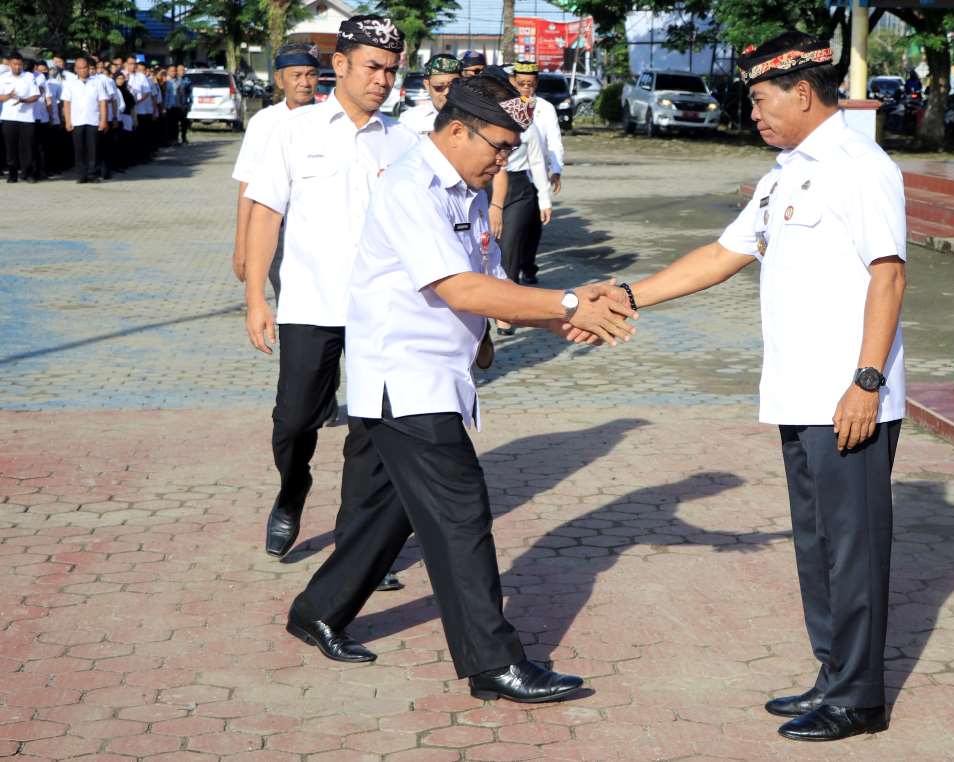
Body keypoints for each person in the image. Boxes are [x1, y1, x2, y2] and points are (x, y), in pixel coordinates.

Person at [286, 70, 637, 702]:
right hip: (405, 378)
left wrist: (552, 316)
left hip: (438, 376)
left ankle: (318, 609)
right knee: (460, 512)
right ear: (455, 129)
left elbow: (486, 272)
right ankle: (491, 662)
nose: (503, 162)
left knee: (392, 513)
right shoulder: (410, 187)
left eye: (510, 151)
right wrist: (565, 301)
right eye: (497, 148)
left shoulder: (467, 186)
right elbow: (458, 287)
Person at [616, 31, 906, 742]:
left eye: (759, 97)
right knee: (816, 542)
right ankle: (833, 673)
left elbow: (889, 274)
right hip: (798, 393)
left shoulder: (858, 166)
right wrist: (625, 296)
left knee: (853, 545)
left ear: (802, 92)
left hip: (848, 395)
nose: (753, 111)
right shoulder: (786, 174)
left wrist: (866, 382)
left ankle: (860, 698)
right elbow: (721, 255)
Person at [242, 16, 417, 590]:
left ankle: (356, 547)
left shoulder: (405, 139)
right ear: (339, 64)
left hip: (381, 309)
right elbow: (267, 213)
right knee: (294, 421)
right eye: (373, 66)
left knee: (371, 430)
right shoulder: (293, 131)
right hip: (308, 303)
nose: (383, 80)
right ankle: (292, 493)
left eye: (391, 70)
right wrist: (255, 299)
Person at [231, 44, 318, 289]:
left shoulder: (330, 119)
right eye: (296, 75)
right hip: (276, 231)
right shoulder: (264, 122)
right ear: (280, 80)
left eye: (311, 74)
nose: (304, 82)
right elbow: (247, 184)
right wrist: (242, 245)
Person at [487, 91, 552, 334]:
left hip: (520, 191)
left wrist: (544, 200)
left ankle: (505, 313)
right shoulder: (489, 127)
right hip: (489, 184)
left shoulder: (530, 131)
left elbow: (537, 163)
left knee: (510, 247)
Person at [508, 60, 564, 283]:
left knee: (533, 224)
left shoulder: (545, 108)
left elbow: (554, 142)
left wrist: (556, 170)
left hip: (536, 173)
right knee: (514, 226)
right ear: (513, 82)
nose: (526, 89)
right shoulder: (506, 106)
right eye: (521, 83)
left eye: (530, 84)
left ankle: (527, 265)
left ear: (536, 83)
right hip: (516, 173)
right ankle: (513, 267)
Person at [61, 56, 109, 183]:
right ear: (76, 69)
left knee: (93, 149)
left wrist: (103, 120)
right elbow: (66, 103)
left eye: (85, 68)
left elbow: (103, 102)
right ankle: (81, 175)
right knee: (79, 149)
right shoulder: (69, 83)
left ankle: (92, 174)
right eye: (80, 68)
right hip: (76, 121)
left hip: (93, 120)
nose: (83, 70)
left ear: (89, 68)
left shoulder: (97, 82)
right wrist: (67, 121)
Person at [1, 52, 41, 183]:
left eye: (19, 64)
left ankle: (28, 173)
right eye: (14, 64)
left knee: (27, 147)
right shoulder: (3, 77)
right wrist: (9, 96)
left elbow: (36, 95)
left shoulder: (29, 77)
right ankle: (12, 174)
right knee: (10, 146)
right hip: (9, 117)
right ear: (10, 65)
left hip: (27, 118)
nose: (17, 67)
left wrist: (23, 100)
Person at [399, 53, 461, 135]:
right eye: (439, 87)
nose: (446, 92)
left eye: (453, 87)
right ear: (427, 85)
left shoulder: (474, 118)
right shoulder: (409, 120)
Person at [176, 64, 191, 144]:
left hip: (184, 104)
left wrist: (189, 103)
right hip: (175, 104)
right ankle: (175, 138)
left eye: (183, 70)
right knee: (175, 123)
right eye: (180, 70)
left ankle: (184, 137)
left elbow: (190, 92)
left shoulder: (187, 80)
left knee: (184, 122)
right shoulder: (174, 79)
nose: (182, 71)